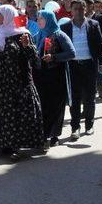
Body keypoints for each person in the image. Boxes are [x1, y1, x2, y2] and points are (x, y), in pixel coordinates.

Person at [0, 5, 44, 161]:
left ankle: (17, 147)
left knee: (18, 115)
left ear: (9, 16)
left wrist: (27, 46)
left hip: (19, 83)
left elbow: (36, 61)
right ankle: (4, 144)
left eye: (1, 15)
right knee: (2, 115)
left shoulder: (22, 34)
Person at [60, 0, 102, 140]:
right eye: (76, 9)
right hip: (73, 66)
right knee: (74, 98)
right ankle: (75, 128)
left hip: (89, 65)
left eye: (81, 8)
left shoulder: (93, 24)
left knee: (89, 97)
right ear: (71, 11)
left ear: (85, 9)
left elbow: (100, 45)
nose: (79, 11)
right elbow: (62, 47)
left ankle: (89, 125)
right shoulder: (65, 27)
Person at [32, 11, 75, 148]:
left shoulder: (59, 35)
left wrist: (54, 57)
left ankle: (54, 135)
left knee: (55, 107)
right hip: (40, 76)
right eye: (38, 18)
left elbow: (71, 53)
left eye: (42, 19)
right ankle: (43, 135)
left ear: (49, 20)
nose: (39, 21)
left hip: (56, 76)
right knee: (42, 106)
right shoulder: (37, 36)